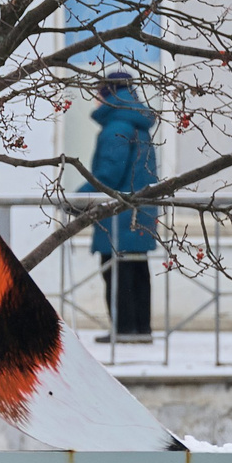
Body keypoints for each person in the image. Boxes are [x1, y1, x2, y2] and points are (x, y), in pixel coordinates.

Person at [82, 66, 161, 343]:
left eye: (97, 91)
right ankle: (140, 330)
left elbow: (107, 176)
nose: (94, 98)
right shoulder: (138, 125)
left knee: (117, 272)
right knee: (138, 270)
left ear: (107, 92)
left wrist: (77, 199)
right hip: (141, 212)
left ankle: (125, 331)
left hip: (118, 215)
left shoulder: (116, 127)